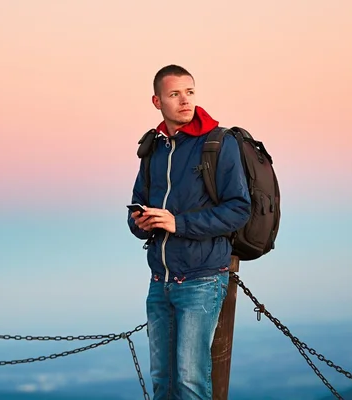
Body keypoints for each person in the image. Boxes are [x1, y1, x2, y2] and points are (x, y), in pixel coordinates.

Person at [127, 64, 252, 399]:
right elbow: (138, 203)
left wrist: (177, 223)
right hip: (160, 282)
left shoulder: (217, 143)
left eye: (190, 92)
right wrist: (140, 222)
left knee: (189, 382)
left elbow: (239, 209)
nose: (185, 100)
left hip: (202, 279)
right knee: (162, 384)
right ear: (157, 101)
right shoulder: (153, 148)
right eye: (174, 94)